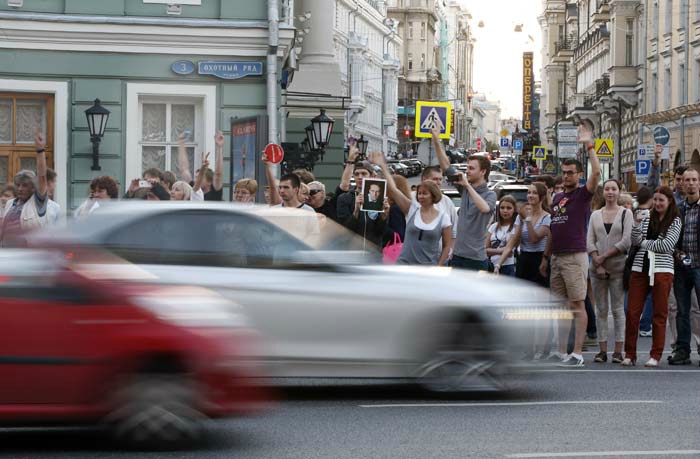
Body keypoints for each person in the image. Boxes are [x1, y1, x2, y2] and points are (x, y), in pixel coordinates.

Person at [550, 121, 601, 367]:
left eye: (571, 172)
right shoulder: (558, 197)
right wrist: (545, 257)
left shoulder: (582, 195)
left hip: (575, 256)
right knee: (560, 307)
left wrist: (589, 145)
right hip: (557, 257)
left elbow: (598, 174)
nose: (567, 175)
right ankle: (560, 351)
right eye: (564, 172)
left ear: (579, 175)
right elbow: (553, 228)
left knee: (577, 305)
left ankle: (577, 353)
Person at [624, 186, 682, 367]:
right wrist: (636, 224)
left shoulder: (675, 220)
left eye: (661, 200)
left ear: (669, 201)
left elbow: (667, 245)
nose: (657, 203)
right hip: (640, 267)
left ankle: (655, 355)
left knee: (659, 313)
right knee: (632, 313)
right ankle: (630, 354)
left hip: (662, 270)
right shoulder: (646, 216)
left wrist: (645, 243)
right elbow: (635, 240)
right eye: (655, 200)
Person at [432, 127, 496, 271]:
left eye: (471, 168)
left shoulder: (490, 194)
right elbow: (446, 166)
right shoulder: (465, 188)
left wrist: (467, 186)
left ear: (483, 172)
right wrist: (436, 139)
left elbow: (485, 208)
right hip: (458, 257)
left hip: (476, 259)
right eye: (467, 167)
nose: (467, 171)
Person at [372, 152, 451, 265]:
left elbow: (447, 245)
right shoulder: (412, 209)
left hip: (428, 268)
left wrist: (439, 266)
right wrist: (383, 166)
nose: (420, 196)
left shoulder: (443, 218)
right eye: (419, 193)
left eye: (425, 194)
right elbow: (394, 190)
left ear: (433, 196)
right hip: (404, 265)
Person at [587, 179, 634, 363]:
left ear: (619, 191)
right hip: (596, 269)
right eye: (607, 189)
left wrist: (603, 256)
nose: (610, 192)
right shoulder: (595, 215)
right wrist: (597, 262)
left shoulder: (626, 213)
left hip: (618, 268)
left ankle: (618, 351)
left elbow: (626, 241)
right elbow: (589, 240)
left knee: (617, 309)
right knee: (601, 310)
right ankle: (602, 350)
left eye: (614, 189)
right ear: (603, 192)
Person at [669, 168, 700, 365]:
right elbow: (672, 237)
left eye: (693, 180)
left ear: (699, 183)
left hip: (699, 266)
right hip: (682, 267)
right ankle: (683, 350)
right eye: (687, 180)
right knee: (682, 311)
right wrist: (676, 252)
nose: (689, 183)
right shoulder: (678, 209)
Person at [0, 131, 49, 247]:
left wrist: (40, 151)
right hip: (8, 255)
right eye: (18, 185)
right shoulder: (11, 203)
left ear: (33, 188)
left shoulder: (37, 203)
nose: (20, 188)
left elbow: (42, 177)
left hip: (28, 255)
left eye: (25, 185)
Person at [336, 157, 389, 247]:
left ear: (371, 176)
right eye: (356, 174)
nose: (360, 177)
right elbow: (344, 231)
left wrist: (384, 217)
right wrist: (356, 211)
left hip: (373, 253)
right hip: (351, 252)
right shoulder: (344, 198)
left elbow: (380, 232)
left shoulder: (379, 197)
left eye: (364, 173)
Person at [486, 195, 519, 276]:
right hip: (491, 266)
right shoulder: (493, 226)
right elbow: (484, 250)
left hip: (508, 267)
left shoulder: (516, 227)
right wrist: (500, 250)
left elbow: (510, 252)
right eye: (502, 207)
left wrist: (492, 251)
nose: (505, 210)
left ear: (514, 210)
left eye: (509, 208)